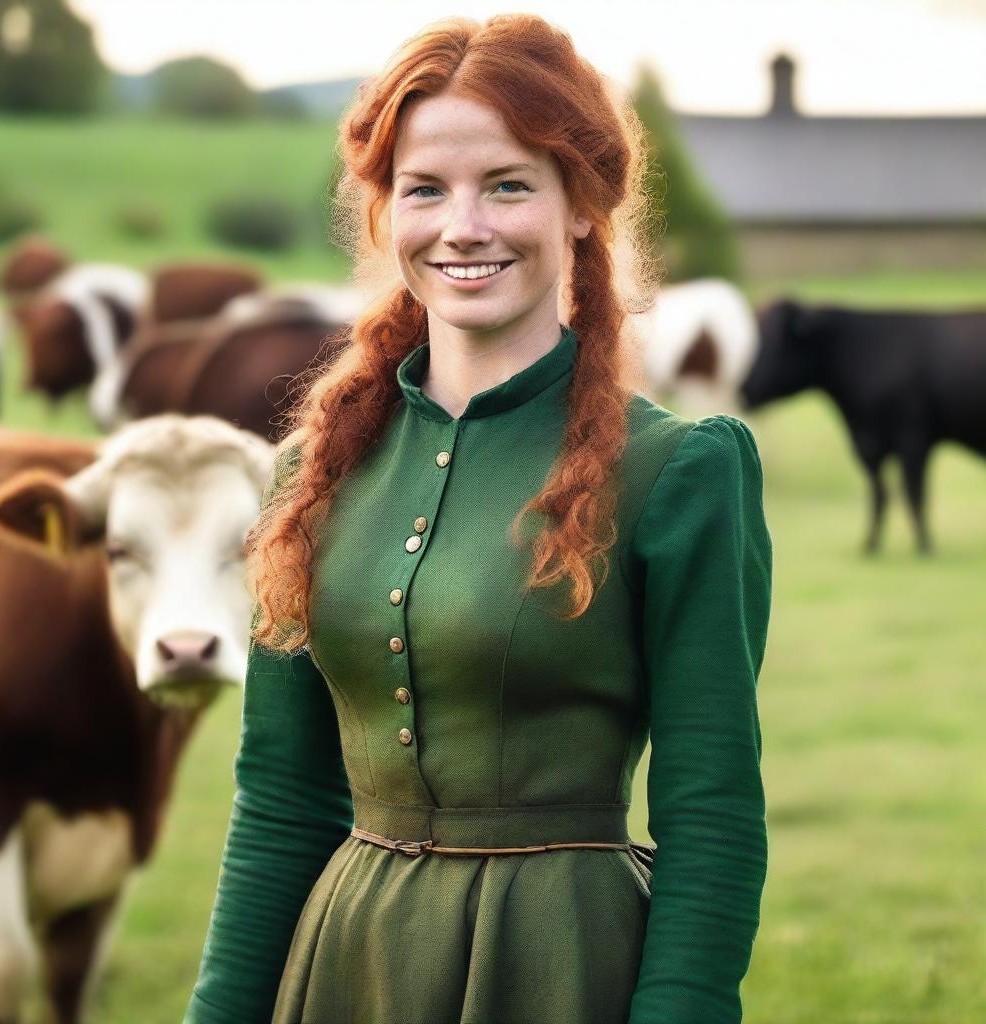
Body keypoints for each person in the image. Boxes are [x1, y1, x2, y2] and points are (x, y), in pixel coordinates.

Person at [185, 13, 773, 1024]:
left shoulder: (679, 471)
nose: (464, 224)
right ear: (385, 215)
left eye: (507, 183)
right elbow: (281, 804)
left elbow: (711, 813)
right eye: (425, 189)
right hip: (345, 970)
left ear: (580, 205)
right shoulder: (312, 472)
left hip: (563, 967)